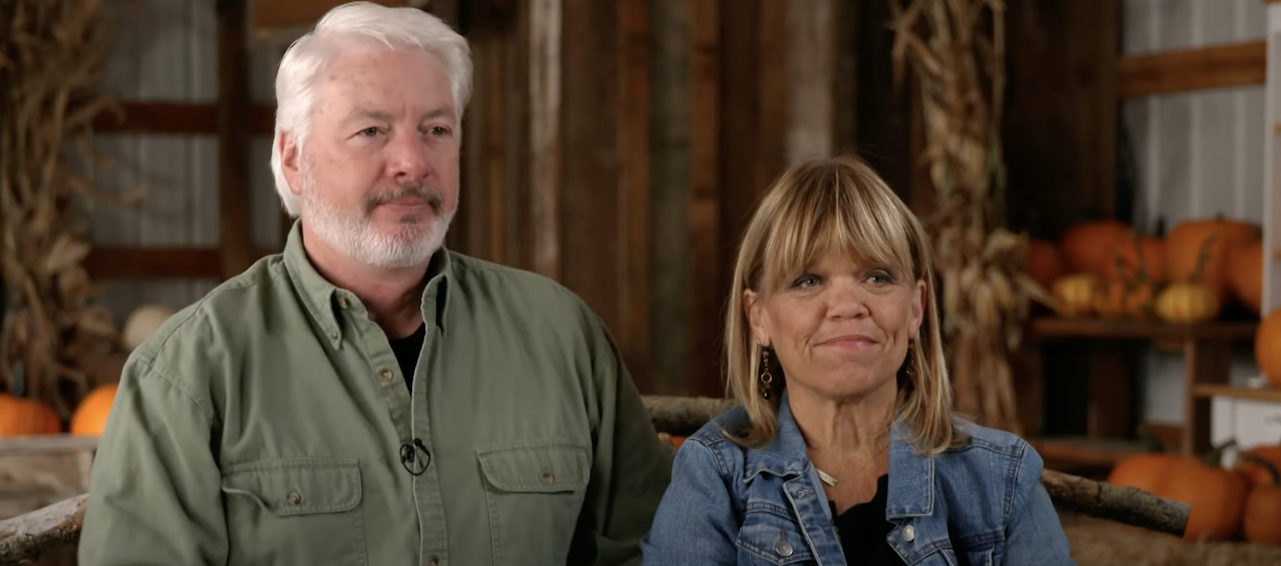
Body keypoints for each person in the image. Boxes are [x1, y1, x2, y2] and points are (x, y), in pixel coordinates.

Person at [77, 3, 670, 565]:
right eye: (371, 131)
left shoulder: (562, 337)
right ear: (293, 157)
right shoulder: (186, 375)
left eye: (436, 129)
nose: (413, 160)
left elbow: (652, 548)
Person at [640, 155, 1075, 565]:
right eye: (808, 280)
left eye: (877, 276)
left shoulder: (1002, 479)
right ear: (758, 317)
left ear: (916, 308)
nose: (848, 305)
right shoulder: (715, 475)